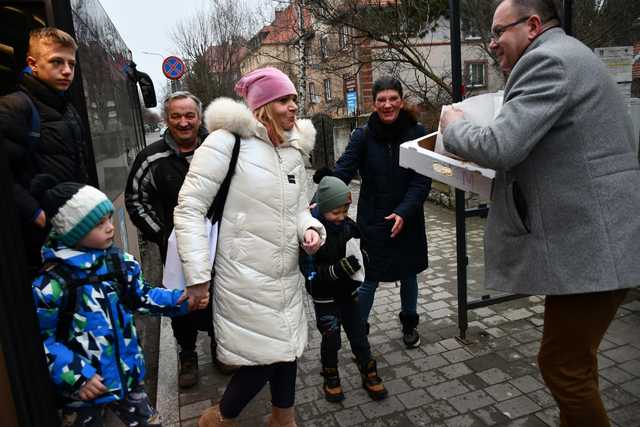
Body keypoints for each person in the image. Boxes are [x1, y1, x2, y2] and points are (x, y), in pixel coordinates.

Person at [440, 1, 640, 425]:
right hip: (597, 244)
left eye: (498, 32)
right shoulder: (569, 54)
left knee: (563, 366)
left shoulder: (546, 60)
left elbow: (501, 146)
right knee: (571, 363)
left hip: (595, 248)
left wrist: (453, 126)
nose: (492, 43)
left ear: (532, 25)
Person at [173, 67, 325, 426]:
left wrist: (311, 230)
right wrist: (197, 277)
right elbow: (190, 208)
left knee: (287, 352)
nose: (294, 107)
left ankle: (283, 419)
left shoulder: (292, 150)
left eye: (294, 100)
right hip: (243, 278)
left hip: (285, 275)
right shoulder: (227, 143)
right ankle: (219, 418)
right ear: (265, 106)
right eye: (286, 100)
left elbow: (300, 209)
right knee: (265, 358)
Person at [31, 181, 189, 426]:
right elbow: (42, 341)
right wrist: (77, 376)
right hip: (83, 392)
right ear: (73, 232)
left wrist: (179, 299)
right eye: (99, 224)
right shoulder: (51, 284)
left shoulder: (118, 263)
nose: (110, 228)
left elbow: (140, 296)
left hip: (127, 379)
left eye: (109, 219)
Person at [314, 76, 431, 349]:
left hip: (408, 217)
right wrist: (320, 195)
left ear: (401, 101)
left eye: (393, 98)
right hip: (374, 219)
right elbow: (344, 169)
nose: (387, 104)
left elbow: (422, 180)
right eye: (382, 99)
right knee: (368, 277)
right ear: (374, 103)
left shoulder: (417, 133)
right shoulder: (363, 135)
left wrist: (404, 211)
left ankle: (409, 323)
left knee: (408, 275)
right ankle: (359, 328)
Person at [125, 91, 223, 388]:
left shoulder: (218, 150)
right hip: (177, 248)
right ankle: (188, 353)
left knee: (221, 296)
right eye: (176, 116)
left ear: (199, 117)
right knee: (184, 302)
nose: (183, 122)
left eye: (189, 115)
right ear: (167, 119)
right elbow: (135, 199)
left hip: (219, 243)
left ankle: (222, 346)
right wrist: (162, 234)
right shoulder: (151, 158)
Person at [0, 27, 88, 276]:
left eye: (71, 63)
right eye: (56, 62)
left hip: (70, 228)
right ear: (33, 64)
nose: (67, 71)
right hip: (37, 242)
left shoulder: (67, 109)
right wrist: (35, 213)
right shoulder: (15, 107)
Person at [300, 176, 388, 403]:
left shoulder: (349, 226)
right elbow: (309, 277)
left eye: (344, 211)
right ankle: (330, 374)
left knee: (359, 335)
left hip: (349, 296)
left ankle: (368, 371)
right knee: (331, 340)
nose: (340, 217)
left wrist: (365, 258)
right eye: (335, 213)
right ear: (324, 208)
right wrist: (336, 270)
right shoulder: (312, 235)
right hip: (325, 301)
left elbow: (361, 250)